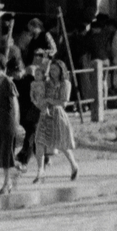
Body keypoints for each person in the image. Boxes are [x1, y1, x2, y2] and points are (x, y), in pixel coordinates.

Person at [32, 53, 80, 182]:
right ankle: (40, 170)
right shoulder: (47, 83)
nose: (52, 72)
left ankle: (74, 165)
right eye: (51, 69)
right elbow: (40, 93)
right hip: (45, 113)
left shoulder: (66, 84)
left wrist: (49, 100)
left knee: (62, 143)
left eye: (55, 69)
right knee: (39, 141)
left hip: (58, 114)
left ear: (61, 70)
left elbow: (64, 103)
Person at [0, 50, 21, 195]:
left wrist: (16, 124)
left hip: (8, 121)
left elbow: (15, 104)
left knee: (6, 152)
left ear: (0, 65)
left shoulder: (7, 82)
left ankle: (7, 183)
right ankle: (15, 171)